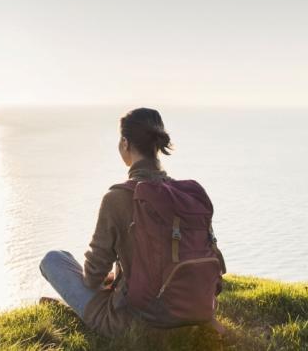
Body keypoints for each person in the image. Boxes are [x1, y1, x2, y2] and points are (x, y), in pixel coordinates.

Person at [39, 107, 201, 338]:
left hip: (131, 321)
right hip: (186, 310)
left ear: (125, 143)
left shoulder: (118, 198)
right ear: (157, 144)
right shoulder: (185, 193)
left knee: (54, 259)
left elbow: (93, 276)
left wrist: (104, 277)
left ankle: (77, 312)